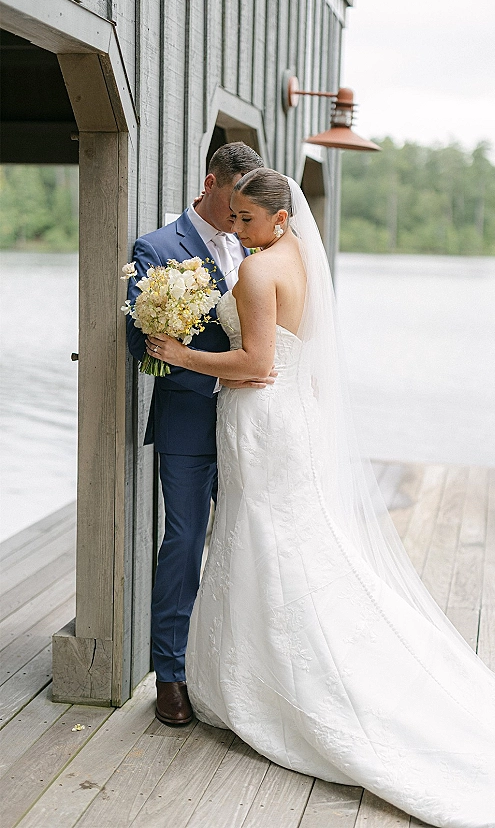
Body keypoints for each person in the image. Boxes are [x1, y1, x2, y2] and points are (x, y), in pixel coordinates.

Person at [146, 169, 495, 827]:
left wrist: (179, 352)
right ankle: (259, 670)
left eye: (244, 221)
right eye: (231, 217)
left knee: (267, 543)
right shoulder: (301, 262)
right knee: (281, 543)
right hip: (293, 422)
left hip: (263, 421)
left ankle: (279, 685)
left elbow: (258, 365)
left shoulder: (260, 273)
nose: (234, 230)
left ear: (280, 220)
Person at [126, 142, 267, 727]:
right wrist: (182, 355)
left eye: (244, 207)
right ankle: (171, 674)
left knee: (250, 540)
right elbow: (142, 349)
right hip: (188, 423)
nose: (237, 216)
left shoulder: (253, 247)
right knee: (183, 544)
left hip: (251, 425)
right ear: (211, 184)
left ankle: (241, 669)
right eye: (232, 201)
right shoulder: (156, 248)